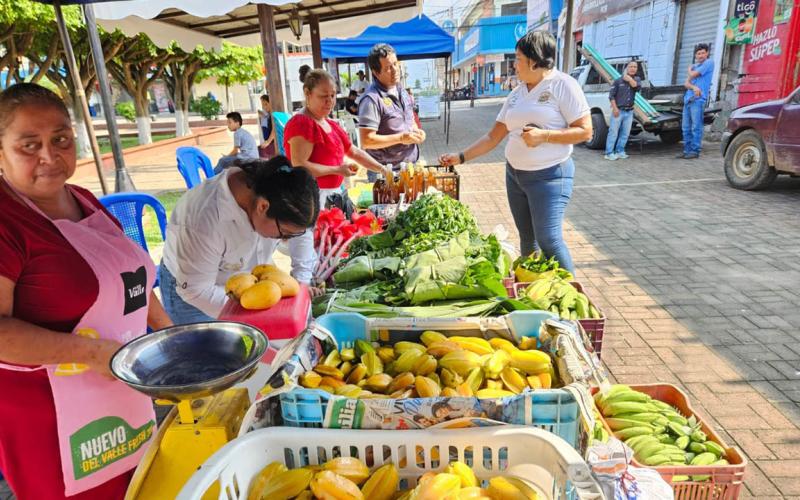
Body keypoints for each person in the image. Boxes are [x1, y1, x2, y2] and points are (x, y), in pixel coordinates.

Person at [0, 83, 172, 499]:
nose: (49, 156)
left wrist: (172, 338)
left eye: (61, 139)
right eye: (29, 145)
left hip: (121, 396)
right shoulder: (6, 222)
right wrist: (93, 354)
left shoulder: (81, 198)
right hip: (51, 421)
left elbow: (128, 280)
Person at [439, 31, 591, 274]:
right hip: (515, 176)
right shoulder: (517, 93)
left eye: (518, 58)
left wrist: (545, 136)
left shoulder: (562, 85)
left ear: (534, 60)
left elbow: (585, 131)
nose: (514, 64)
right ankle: (533, 286)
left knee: (549, 240)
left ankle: (572, 292)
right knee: (528, 240)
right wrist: (461, 156)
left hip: (550, 177)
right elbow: (493, 137)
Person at [159, 156, 321, 324]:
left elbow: (301, 230)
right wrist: (256, 309)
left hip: (247, 281)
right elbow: (196, 291)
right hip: (193, 293)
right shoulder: (204, 222)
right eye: (284, 233)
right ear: (262, 207)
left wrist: (302, 282)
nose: (285, 240)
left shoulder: (276, 186)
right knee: (216, 341)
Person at [284, 69, 390, 208]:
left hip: (333, 195)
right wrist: (337, 170)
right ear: (308, 93)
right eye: (323, 96)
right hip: (311, 199)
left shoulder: (330, 124)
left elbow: (354, 152)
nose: (330, 101)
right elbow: (300, 166)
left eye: (333, 95)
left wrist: (382, 169)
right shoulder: (302, 123)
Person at [358, 43, 426, 182]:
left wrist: (417, 132)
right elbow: (366, 141)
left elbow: (410, 118)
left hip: (410, 166)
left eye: (395, 64)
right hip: (386, 172)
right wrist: (401, 138)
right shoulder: (371, 99)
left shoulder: (400, 89)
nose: (395, 70)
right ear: (376, 73)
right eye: (388, 68)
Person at [679, 43, 714, 159]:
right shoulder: (695, 66)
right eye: (698, 53)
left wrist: (689, 69)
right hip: (688, 99)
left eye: (703, 53)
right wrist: (694, 87)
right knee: (685, 127)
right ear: (695, 55)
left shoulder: (709, 63)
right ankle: (687, 151)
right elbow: (686, 83)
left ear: (707, 53)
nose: (701, 55)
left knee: (696, 127)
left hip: (698, 100)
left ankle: (695, 151)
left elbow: (693, 74)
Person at [604, 60, 641, 161]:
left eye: (635, 67)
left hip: (629, 112)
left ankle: (620, 151)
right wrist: (615, 109)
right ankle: (609, 153)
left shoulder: (637, 79)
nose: (633, 68)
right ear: (626, 68)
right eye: (631, 66)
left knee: (625, 133)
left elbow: (635, 87)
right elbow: (611, 96)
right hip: (618, 111)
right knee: (613, 133)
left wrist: (629, 79)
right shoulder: (618, 81)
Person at [257, 95, 276, 159]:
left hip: (274, 144)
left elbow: (274, 129)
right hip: (270, 143)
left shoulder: (273, 115)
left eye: (266, 104)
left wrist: (268, 142)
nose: (263, 107)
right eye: (262, 105)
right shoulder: (268, 115)